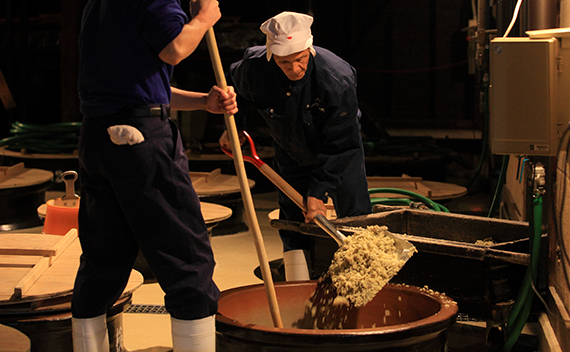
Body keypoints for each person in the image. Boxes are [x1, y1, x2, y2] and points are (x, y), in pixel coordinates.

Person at [71, 0, 237, 351]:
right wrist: (204, 18)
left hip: (98, 136)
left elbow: (138, 87)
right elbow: (175, 49)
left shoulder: (99, 6)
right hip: (140, 140)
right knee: (187, 259)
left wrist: (203, 102)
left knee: (104, 259)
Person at [220, 11, 371, 282]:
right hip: (289, 151)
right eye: (284, 62)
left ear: (309, 49)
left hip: (338, 156)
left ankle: (360, 282)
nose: (294, 69)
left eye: (300, 59)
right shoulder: (254, 67)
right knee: (292, 222)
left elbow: (342, 143)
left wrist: (319, 191)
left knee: (355, 219)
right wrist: (235, 127)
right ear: (271, 56)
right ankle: (297, 283)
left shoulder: (336, 79)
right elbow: (232, 88)